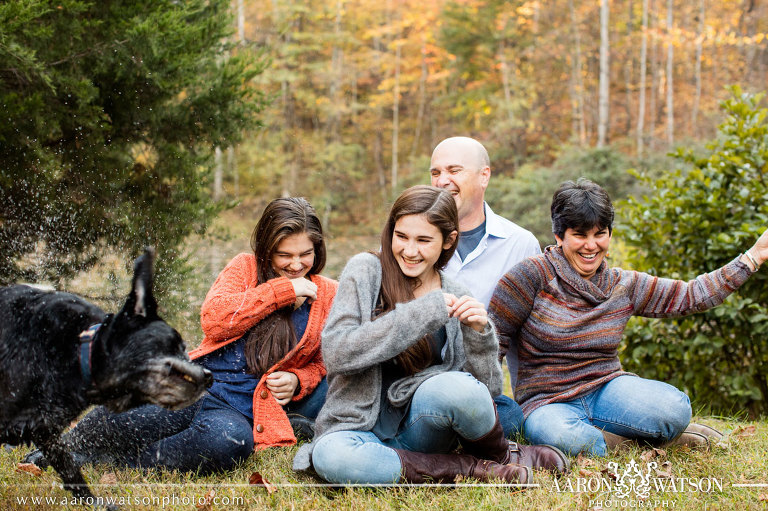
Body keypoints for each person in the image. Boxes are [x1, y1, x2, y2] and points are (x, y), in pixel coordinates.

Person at [24, 197, 337, 473]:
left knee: (228, 444)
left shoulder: (328, 294)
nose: (296, 265)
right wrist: (281, 291)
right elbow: (214, 319)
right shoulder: (245, 268)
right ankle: (63, 448)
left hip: (235, 411)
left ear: (317, 249)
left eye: (305, 254)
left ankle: (115, 462)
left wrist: (299, 380)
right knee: (129, 414)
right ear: (267, 250)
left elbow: (326, 363)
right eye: (285, 255)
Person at [292, 185, 568, 485]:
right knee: (329, 457)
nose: (410, 251)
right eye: (402, 237)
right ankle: (468, 469)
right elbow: (337, 352)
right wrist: (422, 312)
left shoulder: (456, 294)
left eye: (423, 240)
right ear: (391, 231)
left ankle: (503, 455)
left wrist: (479, 334)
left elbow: (482, 393)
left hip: (422, 431)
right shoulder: (366, 270)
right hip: (354, 429)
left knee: (461, 390)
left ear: (448, 241)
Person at [489, 178, 768, 457]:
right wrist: (487, 406)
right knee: (563, 436)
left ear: (610, 235)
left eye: (600, 234)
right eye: (579, 235)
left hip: (607, 389)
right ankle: (640, 444)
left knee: (674, 409)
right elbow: (494, 339)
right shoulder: (530, 276)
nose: (591, 245)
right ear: (559, 236)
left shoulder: (621, 284)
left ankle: (616, 438)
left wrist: (754, 257)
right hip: (546, 402)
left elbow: (690, 295)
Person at [429, 136, 540, 436]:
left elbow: (528, 338)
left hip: (482, 387)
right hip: (423, 384)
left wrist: (531, 402)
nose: (442, 181)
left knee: (511, 419)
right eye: (436, 173)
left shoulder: (520, 244)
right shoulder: (415, 242)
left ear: (484, 175)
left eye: (454, 170)